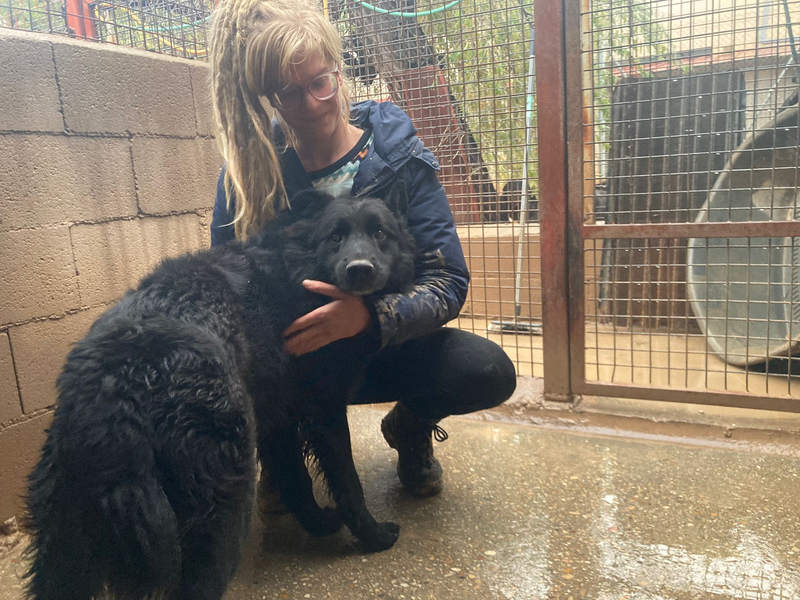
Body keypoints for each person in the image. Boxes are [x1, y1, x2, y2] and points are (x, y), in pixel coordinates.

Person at [208, 0, 516, 498]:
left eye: (319, 83)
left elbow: (447, 281)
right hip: (295, 354)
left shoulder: (398, 156)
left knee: (485, 371)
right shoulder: (248, 172)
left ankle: (409, 427)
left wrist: (370, 318)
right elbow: (226, 285)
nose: (311, 104)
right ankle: (282, 455)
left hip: (383, 348)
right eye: (290, 93)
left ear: (338, 72)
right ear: (270, 99)